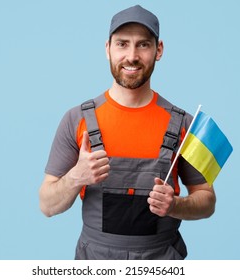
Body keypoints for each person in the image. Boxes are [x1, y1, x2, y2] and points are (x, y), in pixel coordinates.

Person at [39, 5, 216, 260]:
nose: (131, 56)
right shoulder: (76, 119)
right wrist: (76, 177)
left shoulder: (185, 124)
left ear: (159, 50)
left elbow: (207, 201)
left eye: (143, 45)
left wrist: (176, 205)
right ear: (107, 49)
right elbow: (47, 205)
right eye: (122, 44)